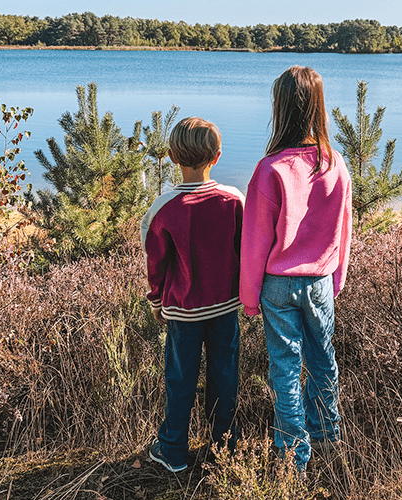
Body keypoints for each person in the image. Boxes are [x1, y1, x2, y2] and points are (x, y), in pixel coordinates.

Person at [239, 65, 353, 472]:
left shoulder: (270, 170)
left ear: (281, 108)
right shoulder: (334, 164)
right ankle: (327, 441)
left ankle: (293, 456)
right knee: (324, 361)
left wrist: (250, 298)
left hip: (277, 285)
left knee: (285, 368)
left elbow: (255, 243)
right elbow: (344, 230)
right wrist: (335, 279)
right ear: (319, 108)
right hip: (320, 280)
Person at [140, 116, 245, 473]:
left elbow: (156, 263)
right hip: (226, 308)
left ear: (171, 156)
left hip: (183, 312)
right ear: (216, 156)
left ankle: (172, 451)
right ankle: (224, 448)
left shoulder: (163, 208)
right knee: (225, 375)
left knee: (180, 379)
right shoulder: (234, 201)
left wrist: (157, 302)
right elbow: (245, 252)